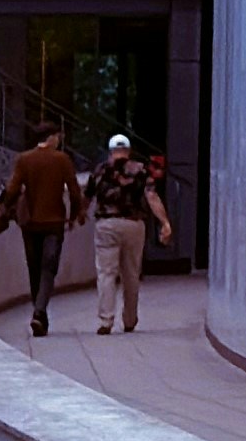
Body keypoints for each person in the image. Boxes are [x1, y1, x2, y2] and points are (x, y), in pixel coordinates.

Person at [75, 130, 176, 334]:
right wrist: (164, 222)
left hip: (106, 225)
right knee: (131, 273)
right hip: (134, 225)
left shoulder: (100, 170)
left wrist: (80, 214)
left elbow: (87, 196)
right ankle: (130, 320)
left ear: (111, 151)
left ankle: (106, 320)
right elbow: (152, 196)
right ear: (128, 151)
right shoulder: (140, 170)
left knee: (106, 273)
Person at [0, 126, 76, 329]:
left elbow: (12, 189)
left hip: (29, 223)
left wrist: (4, 208)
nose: (59, 140)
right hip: (54, 222)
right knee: (49, 266)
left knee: (34, 266)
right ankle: (40, 310)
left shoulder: (24, 159)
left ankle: (38, 311)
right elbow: (74, 191)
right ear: (51, 137)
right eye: (58, 136)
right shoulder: (62, 159)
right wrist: (74, 215)